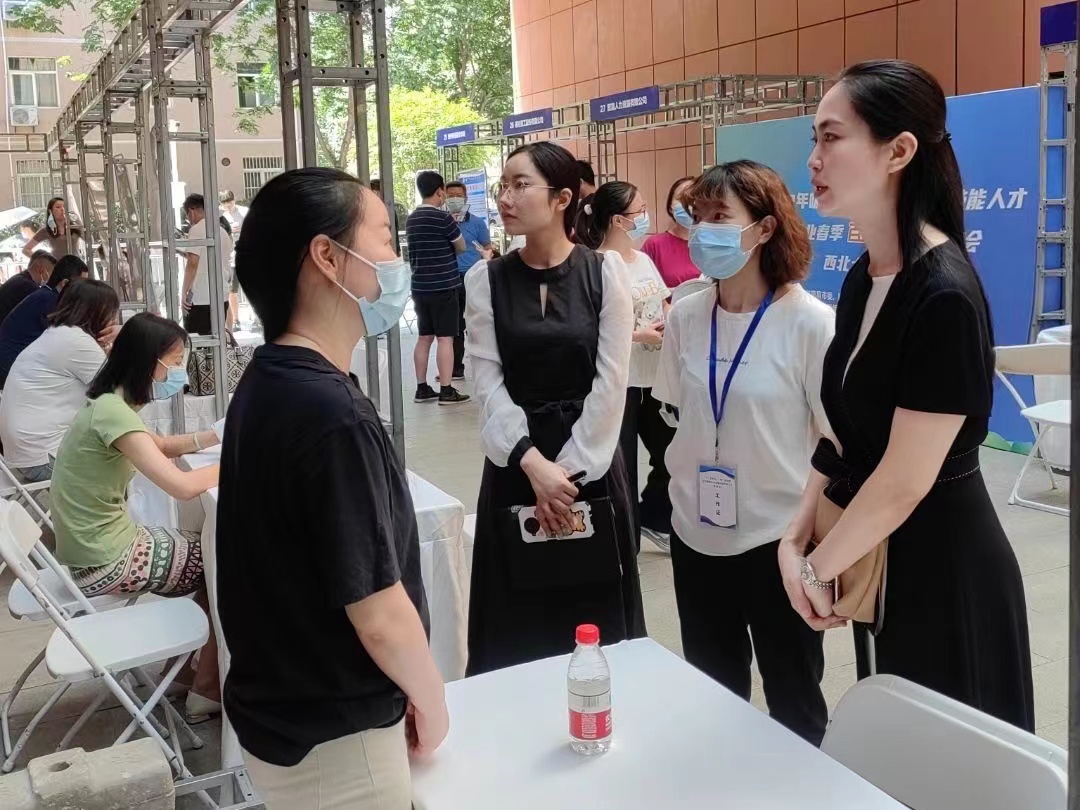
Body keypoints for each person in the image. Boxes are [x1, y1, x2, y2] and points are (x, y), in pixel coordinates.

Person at [780, 59, 1034, 730]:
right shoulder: (865, 275)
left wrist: (816, 571)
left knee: (951, 762)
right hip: (880, 558)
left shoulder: (943, 293)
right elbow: (840, 430)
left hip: (946, 573)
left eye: (832, 137)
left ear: (898, 151)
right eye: (814, 139)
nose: (814, 159)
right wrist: (796, 535)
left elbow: (903, 480)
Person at [219, 168, 446, 808]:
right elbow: (378, 612)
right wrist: (431, 698)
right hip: (336, 740)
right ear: (327, 256)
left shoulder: (272, 378)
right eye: (384, 237)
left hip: (288, 715)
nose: (395, 260)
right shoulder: (330, 413)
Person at [652, 160, 835, 744]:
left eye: (720, 215)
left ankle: (800, 786)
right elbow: (678, 411)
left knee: (794, 695)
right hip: (695, 531)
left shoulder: (810, 324)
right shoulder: (686, 314)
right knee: (712, 691)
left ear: (764, 227)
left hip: (777, 538)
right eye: (697, 215)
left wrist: (811, 541)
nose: (703, 229)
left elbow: (834, 442)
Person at [465, 141, 644, 676]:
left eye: (521, 185)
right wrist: (532, 463)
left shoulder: (605, 272)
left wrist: (565, 474)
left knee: (594, 621)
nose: (505, 197)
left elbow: (612, 381)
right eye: (503, 186)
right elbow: (485, 378)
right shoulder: (486, 280)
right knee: (514, 626)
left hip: (589, 465)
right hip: (515, 464)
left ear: (563, 198)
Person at [50, 312, 222, 722]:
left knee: (207, 553)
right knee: (223, 564)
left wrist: (219, 434)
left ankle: (183, 675)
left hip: (94, 547)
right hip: (104, 559)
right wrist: (242, 457)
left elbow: (159, 446)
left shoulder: (110, 404)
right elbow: (181, 486)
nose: (178, 372)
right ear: (149, 361)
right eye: (175, 362)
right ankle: (206, 686)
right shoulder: (114, 413)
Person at [576, 181, 676, 554]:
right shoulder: (595, 265)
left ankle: (653, 517)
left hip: (655, 377)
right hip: (621, 380)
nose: (647, 216)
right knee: (624, 466)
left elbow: (662, 301)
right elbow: (589, 329)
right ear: (619, 220)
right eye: (641, 211)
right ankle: (624, 542)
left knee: (671, 455)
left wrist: (671, 319)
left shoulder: (642, 259)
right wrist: (638, 336)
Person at [0, 280, 119, 483]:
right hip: (44, 458)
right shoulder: (77, 341)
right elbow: (121, 392)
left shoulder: (60, 334)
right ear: (97, 312)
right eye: (112, 313)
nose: (114, 320)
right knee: (123, 463)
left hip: (25, 454)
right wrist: (124, 340)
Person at [406, 171, 470, 405]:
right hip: (444, 286)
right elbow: (461, 246)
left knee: (424, 338)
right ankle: (446, 390)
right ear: (439, 191)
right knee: (445, 339)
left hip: (420, 287)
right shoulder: (443, 218)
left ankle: (422, 388)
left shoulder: (411, 219)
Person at [0, 255, 93, 387]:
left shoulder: (46, 295)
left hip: (15, 363)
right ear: (64, 283)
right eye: (81, 285)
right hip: (12, 368)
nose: (84, 291)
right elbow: (66, 341)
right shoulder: (50, 302)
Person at [445, 180, 494, 380]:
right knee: (455, 325)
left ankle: (484, 365)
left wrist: (485, 256)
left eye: (459, 195)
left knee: (476, 322)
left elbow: (488, 247)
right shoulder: (443, 222)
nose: (455, 199)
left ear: (465, 198)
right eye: (451, 196)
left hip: (473, 278)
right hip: (450, 278)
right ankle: (456, 368)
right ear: (445, 198)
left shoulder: (477, 223)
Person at [179, 193, 234, 335]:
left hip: (201, 297)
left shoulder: (196, 229)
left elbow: (193, 262)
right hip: (221, 295)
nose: (189, 219)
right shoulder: (221, 231)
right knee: (216, 338)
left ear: (191, 211)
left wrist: (184, 291)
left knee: (197, 341)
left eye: (187, 215)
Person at [643, 176, 702, 288]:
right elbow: (641, 286)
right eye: (681, 199)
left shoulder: (712, 243)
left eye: (692, 199)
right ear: (670, 207)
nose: (688, 206)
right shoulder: (654, 245)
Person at [0, 251, 55, 326]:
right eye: (51, 275)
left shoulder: (20, 278)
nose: (50, 279)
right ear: (42, 270)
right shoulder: (28, 287)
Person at [220, 190, 248, 331]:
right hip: (231, 258)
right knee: (232, 290)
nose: (228, 205)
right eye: (225, 203)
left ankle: (258, 319)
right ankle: (236, 320)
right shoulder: (221, 216)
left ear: (234, 200)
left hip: (246, 255)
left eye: (230, 202)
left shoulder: (244, 212)